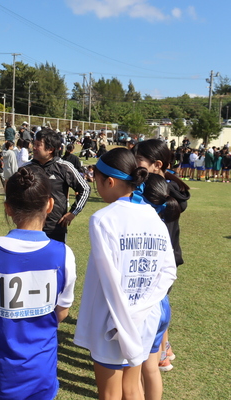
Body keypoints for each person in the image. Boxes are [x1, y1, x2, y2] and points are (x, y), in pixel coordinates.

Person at [73, 148, 177, 400]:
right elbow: (168, 273)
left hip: (112, 322)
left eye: (96, 181)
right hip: (145, 317)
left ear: (109, 181)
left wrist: (122, 323)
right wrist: (140, 312)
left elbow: (110, 281)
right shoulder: (154, 216)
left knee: (110, 394)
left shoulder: (103, 219)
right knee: (132, 389)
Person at [0, 165, 76, 400]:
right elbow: (62, 311)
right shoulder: (63, 254)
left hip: (0, 368)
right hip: (41, 368)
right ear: (50, 204)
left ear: (7, 208)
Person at [133, 139, 190, 373]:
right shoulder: (163, 187)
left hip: (158, 261)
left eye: (138, 160)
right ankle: (165, 348)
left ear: (157, 164)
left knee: (154, 307)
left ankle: (161, 352)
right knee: (159, 304)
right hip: (166, 259)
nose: (133, 164)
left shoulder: (156, 193)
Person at [29, 129, 90, 243]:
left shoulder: (64, 167)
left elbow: (85, 189)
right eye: (34, 144)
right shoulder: (26, 168)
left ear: (50, 149)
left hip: (55, 228)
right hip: (29, 227)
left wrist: (73, 212)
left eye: (38, 145)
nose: (34, 148)